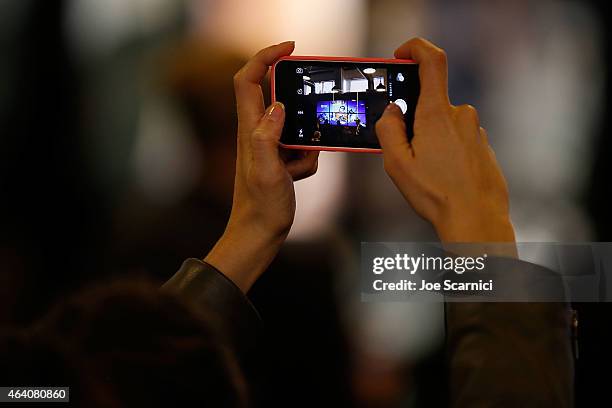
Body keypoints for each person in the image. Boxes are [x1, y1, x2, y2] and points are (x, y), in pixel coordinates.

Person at [0, 38, 573, 407]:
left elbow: (96, 388)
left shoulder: (126, 238)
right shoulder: (307, 267)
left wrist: (250, 230)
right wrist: (479, 227)